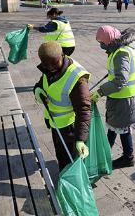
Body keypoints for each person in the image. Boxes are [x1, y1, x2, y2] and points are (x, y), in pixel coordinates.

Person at [91, 26, 135, 169]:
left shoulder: (121, 53)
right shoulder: (121, 49)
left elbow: (121, 80)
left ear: (109, 41)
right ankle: (105, 152)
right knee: (115, 126)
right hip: (124, 99)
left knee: (123, 129)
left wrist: (100, 92)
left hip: (125, 100)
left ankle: (128, 158)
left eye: (102, 42)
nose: (101, 45)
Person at [33, 41, 91, 171]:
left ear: (62, 55)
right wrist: (37, 89)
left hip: (70, 128)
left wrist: (80, 139)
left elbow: (84, 110)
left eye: (54, 64)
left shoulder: (77, 78)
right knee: (61, 157)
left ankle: (69, 187)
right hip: (56, 124)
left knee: (69, 162)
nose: (51, 68)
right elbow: (42, 83)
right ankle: (64, 179)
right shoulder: (48, 66)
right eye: (47, 65)